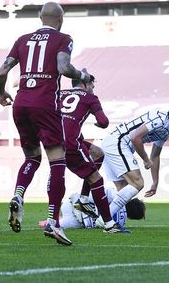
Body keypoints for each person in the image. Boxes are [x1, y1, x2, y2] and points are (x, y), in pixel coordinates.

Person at [0, 2, 92, 246]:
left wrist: (1, 94)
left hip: (21, 104)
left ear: (40, 17)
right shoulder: (63, 38)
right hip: (45, 104)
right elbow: (64, 67)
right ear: (61, 19)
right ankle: (52, 222)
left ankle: (19, 195)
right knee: (57, 161)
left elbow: (1, 71)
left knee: (32, 158)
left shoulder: (22, 39)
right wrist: (83, 76)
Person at [98, 97, 169, 224]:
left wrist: (155, 182)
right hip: (118, 142)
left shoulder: (167, 130)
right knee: (138, 183)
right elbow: (135, 137)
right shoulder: (160, 119)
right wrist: (145, 159)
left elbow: (156, 155)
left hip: (114, 143)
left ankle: (102, 217)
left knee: (123, 189)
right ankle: (104, 219)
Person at [60, 76, 124, 233]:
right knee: (96, 179)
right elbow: (104, 122)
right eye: (92, 85)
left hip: (53, 138)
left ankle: (82, 199)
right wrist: (97, 122)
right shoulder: (90, 97)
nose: (93, 89)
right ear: (84, 84)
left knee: (98, 153)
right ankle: (108, 224)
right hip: (70, 142)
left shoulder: (59, 93)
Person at [40, 189, 145, 231]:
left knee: (96, 195)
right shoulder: (122, 222)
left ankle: (54, 216)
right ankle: (52, 221)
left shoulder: (117, 197)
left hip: (72, 205)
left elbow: (97, 193)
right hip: (79, 221)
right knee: (59, 226)